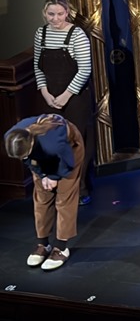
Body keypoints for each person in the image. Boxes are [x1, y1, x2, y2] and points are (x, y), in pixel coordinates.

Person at [33, 0, 95, 205]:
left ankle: (79, 188)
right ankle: (55, 184)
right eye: (51, 14)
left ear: (67, 13)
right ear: (44, 13)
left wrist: (66, 95)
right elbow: (38, 68)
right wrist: (45, 93)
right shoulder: (41, 34)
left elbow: (84, 69)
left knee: (75, 142)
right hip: (50, 96)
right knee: (51, 141)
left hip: (75, 98)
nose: (55, 19)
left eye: (60, 14)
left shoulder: (77, 34)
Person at [4, 114, 85, 270]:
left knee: (64, 197)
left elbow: (67, 161)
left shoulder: (54, 144)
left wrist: (53, 177)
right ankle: (43, 244)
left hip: (68, 152)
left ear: (31, 144)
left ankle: (61, 247)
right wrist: (42, 175)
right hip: (39, 152)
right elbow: (28, 159)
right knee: (42, 197)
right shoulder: (11, 137)